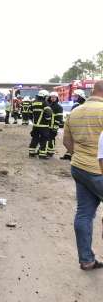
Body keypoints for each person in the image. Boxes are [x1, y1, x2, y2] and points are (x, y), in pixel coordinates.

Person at [63, 80, 103, 271]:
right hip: (99, 171)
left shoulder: (75, 112)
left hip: (79, 168)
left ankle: (86, 259)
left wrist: (79, 155)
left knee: (84, 213)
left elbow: (66, 142)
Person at [60, 89, 87, 160]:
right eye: (74, 96)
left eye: (76, 96)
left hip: (81, 126)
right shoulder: (77, 105)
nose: (74, 98)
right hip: (77, 126)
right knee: (72, 140)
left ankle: (73, 155)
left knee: (76, 141)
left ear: (80, 97)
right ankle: (69, 154)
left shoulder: (82, 105)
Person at [28, 89, 53, 159]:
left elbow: (29, 113)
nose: (47, 98)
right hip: (44, 126)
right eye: (46, 97)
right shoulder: (45, 103)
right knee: (43, 140)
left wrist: (33, 120)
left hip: (35, 125)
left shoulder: (33, 102)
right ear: (44, 96)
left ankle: (31, 153)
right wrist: (48, 120)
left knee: (34, 138)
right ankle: (42, 154)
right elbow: (49, 113)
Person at [47, 91, 63, 157]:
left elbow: (59, 118)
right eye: (52, 97)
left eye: (54, 97)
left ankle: (51, 152)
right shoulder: (48, 105)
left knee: (51, 139)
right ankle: (46, 151)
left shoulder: (59, 107)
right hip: (47, 126)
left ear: (57, 98)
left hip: (53, 126)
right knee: (46, 139)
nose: (53, 98)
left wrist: (55, 127)